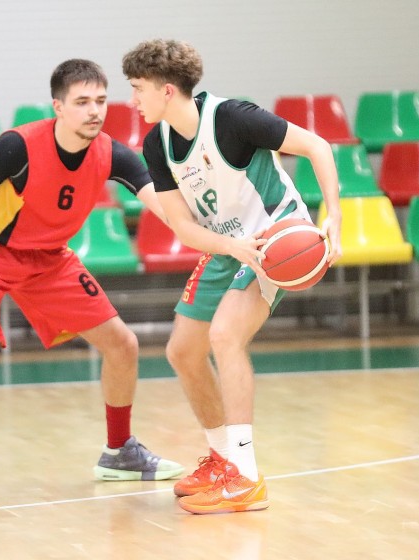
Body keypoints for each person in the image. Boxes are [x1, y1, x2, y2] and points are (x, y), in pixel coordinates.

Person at [0, 59, 183, 504]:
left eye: (101, 101)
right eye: (82, 102)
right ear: (58, 107)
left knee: (123, 344)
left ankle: (119, 451)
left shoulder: (113, 154)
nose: (94, 111)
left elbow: (165, 208)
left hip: (50, 260)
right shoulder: (17, 147)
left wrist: (216, 230)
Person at [121, 39, 343, 514]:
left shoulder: (233, 117)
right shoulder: (157, 143)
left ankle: (244, 477)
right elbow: (182, 226)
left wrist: (334, 218)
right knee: (183, 352)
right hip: (228, 244)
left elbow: (316, 146)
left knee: (225, 336)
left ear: (166, 90)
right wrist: (229, 247)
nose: (132, 99)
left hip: (273, 238)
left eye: (137, 88)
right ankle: (222, 459)